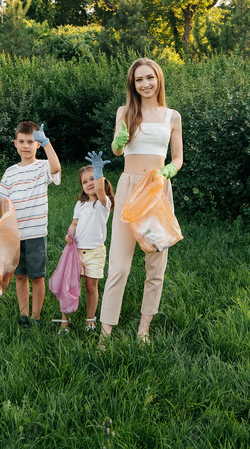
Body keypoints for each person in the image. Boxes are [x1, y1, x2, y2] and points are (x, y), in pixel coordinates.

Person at [100, 58, 183, 344]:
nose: (145, 84)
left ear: (158, 79)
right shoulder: (125, 111)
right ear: (132, 84)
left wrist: (169, 171)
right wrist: (120, 139)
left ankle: (143, 329)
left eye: (150, 78)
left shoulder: (172, 116)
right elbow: (117, 150)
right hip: (128, 189)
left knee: (155, 263)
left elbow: (178, 157)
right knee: (119, 265)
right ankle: (105, 331)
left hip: (157, 190)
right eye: (139, 80)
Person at [0, 121, 61, 326]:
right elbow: (1, 204)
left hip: (35, 234)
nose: (26, 146)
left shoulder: (42, 167)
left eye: (31, 142)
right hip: (15, 236)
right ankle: (23, 315)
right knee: (20, 276)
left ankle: (36, 316)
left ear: (37, 145)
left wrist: (47, 142)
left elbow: (56, 167)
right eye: (22, 142)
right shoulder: (10, 172)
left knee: (37, 277)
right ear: (15, 144)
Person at [53, 154, 115, 334]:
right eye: (84, 181)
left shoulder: (104, 204)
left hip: (95, 252)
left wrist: (98, 171)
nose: (89, 183)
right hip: (76, 252)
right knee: (70, 284)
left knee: (90, 286)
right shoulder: (80, 205)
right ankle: (65, 321)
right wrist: (70, 233)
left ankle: (90, 320)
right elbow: (74, 223)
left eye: (93, 179)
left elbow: (101, 191)